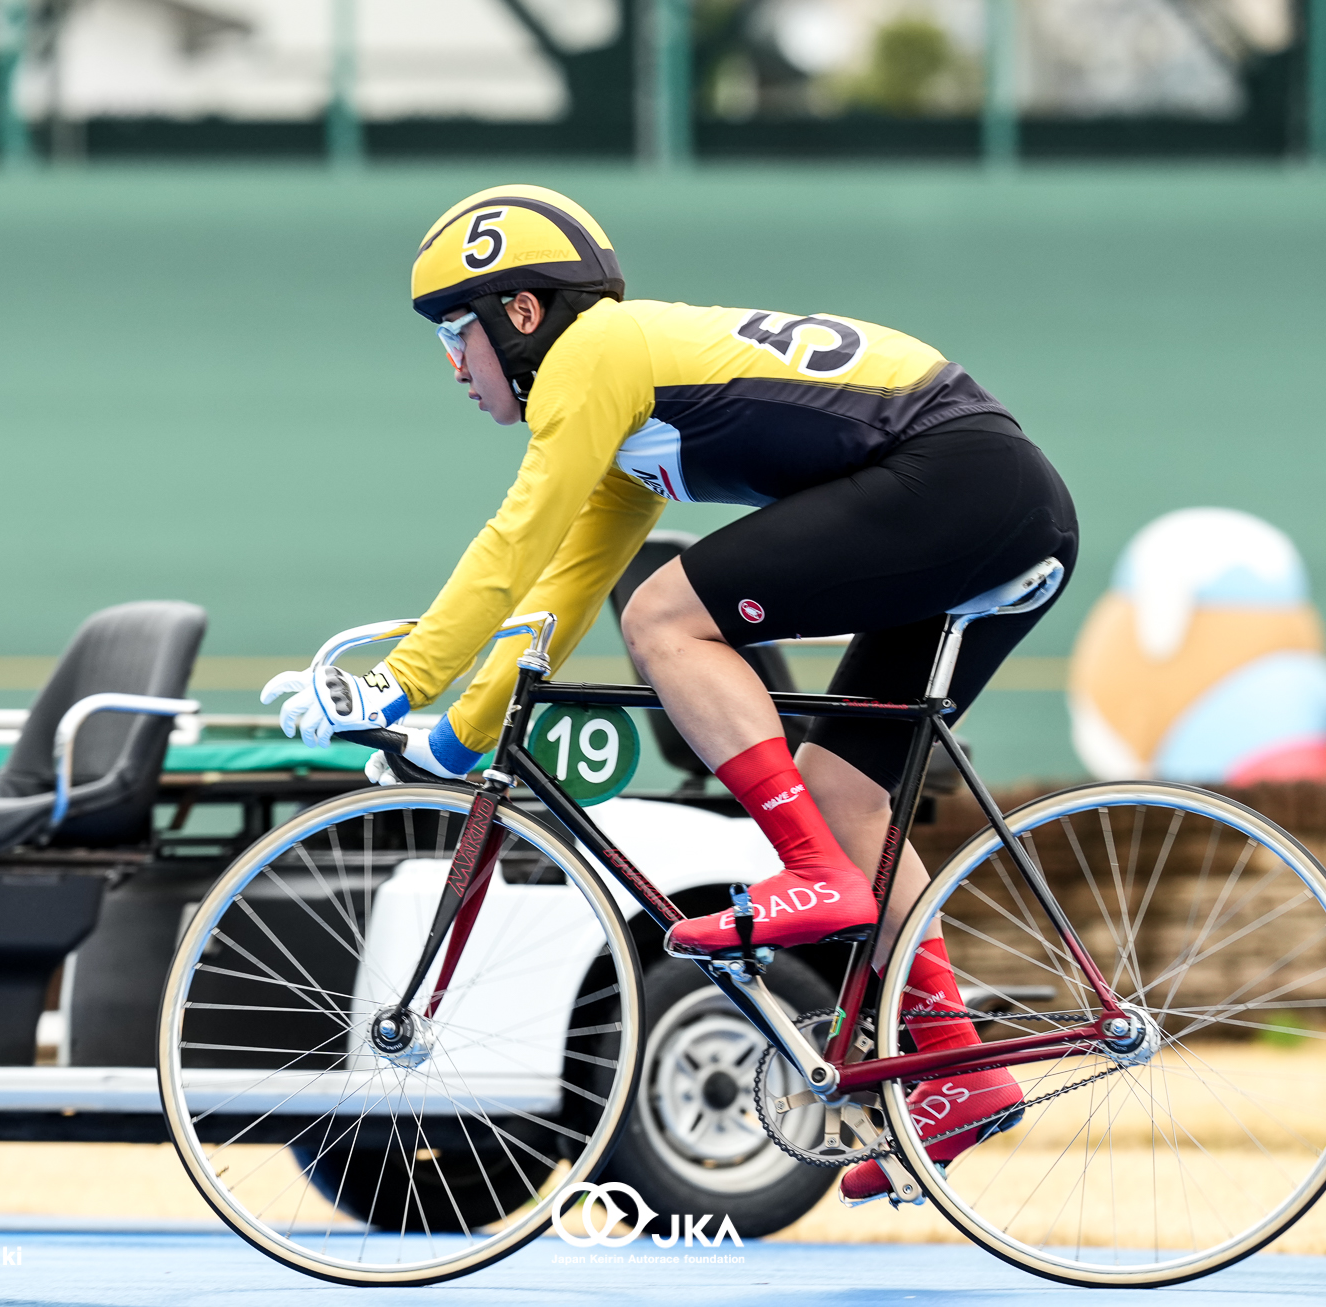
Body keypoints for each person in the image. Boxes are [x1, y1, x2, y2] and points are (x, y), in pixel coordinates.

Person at [262, 184, 1077, 1203]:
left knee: (663, 618)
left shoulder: (592, 357)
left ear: (522, 316)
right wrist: (458, 740)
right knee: (839, 787)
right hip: (985, 492)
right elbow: (556, 587)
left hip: (962, 479)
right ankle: (958, 1065)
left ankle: (818, 875)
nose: (451, 365)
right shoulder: (627, 410)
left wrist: (396, 677)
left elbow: (510, 540)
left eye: (454, 331)